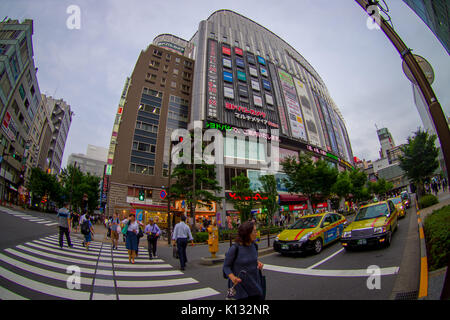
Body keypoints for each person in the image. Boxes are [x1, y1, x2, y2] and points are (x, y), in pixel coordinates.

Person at [223, 221, 264, 300]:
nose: (257, 233)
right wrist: (233, 277)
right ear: (247, 233)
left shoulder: (254, 245)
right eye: (254, 231)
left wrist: (257, 262)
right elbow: (226, 266)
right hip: (240, 288)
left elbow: (252, 258)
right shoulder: (235, 248)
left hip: (254, 284)